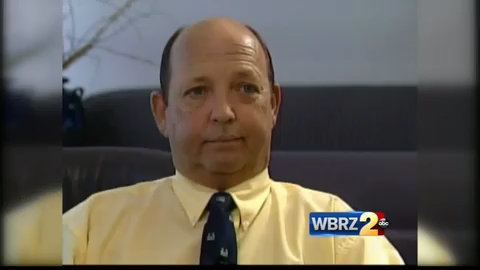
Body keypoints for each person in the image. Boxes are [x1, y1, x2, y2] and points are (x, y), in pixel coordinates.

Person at [63, 17, 404, 265]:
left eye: (246, 89)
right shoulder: (90, 226)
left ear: (273, 105)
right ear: (162, 112)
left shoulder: (336, 222)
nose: (223, 112)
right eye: (197, 92)